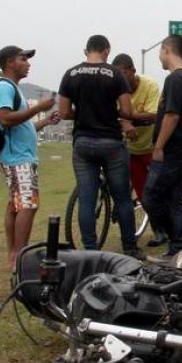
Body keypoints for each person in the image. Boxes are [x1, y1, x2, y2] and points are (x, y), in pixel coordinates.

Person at [58, 35, 138, 255]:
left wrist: (83, 113)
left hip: (83, 143)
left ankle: (90, 251)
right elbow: (128, 111)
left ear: (87, 51)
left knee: (86, 198)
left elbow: (64, 112)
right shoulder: (115, 74)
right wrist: (109, 111)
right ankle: (130, 248)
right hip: (111, 142)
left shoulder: (70, 74)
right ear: (106, 50)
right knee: (122, 198)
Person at [0, 44, 60, 271]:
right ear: (10, 62)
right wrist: (38, 106)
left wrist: (45, 120)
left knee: (16, 205)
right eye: (23, 59)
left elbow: (23, 126)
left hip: (19, 155)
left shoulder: (13, 88)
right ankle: (20, 258)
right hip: (17, 157)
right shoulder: (4, 87)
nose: (28, 63)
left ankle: (14, 255)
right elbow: (6, 118)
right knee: (27, 205)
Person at [141, 34, 182, 266]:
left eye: (160, 53)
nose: (159, 58)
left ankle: (172, 238)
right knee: (174, 196)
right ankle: (178, 249)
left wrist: (158, 146)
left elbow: (172, 115)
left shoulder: (175, 79)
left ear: (166, 49)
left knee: (151, 195)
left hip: (172, 151)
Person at [110, 53, 165, 245]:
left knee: (162, 189)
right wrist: (127, 120)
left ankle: (172, 229)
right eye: (117, 74)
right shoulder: (114, 89)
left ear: (133, 71)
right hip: (131, 149)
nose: (121, 78)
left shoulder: (149, 85)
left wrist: (125, 118)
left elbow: (154, 115)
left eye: (123, 73)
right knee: (142, 194)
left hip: (152, 146)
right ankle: (158, 231)